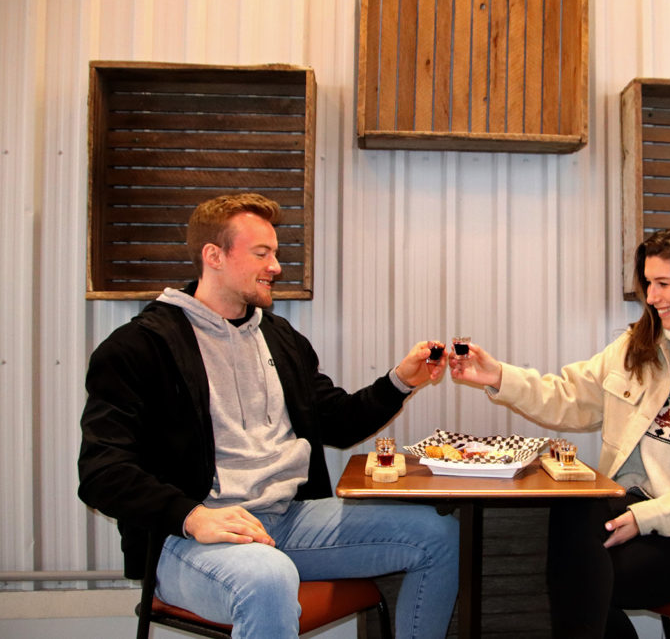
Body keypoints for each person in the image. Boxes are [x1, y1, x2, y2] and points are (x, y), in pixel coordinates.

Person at [78, 193, 459, 639]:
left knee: (438, 536)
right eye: (262, 253)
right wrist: (192, 516)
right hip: (188, 537)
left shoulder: (278, 337)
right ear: (213, 256)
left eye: (275, 253)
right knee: (268, 577)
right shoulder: (138, 348)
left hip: (287, 520)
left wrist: (400, 380)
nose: (276, 266)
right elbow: (101, 471)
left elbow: (336, 421)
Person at [449, 224, 670, 639]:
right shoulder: (640, 346)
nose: (651, 297)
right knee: (574, 512)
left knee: (582, 577)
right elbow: (569, 397)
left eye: (663, 283)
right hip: (632, 508)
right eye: (648, 283)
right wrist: (497, 377)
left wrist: (648, 516)